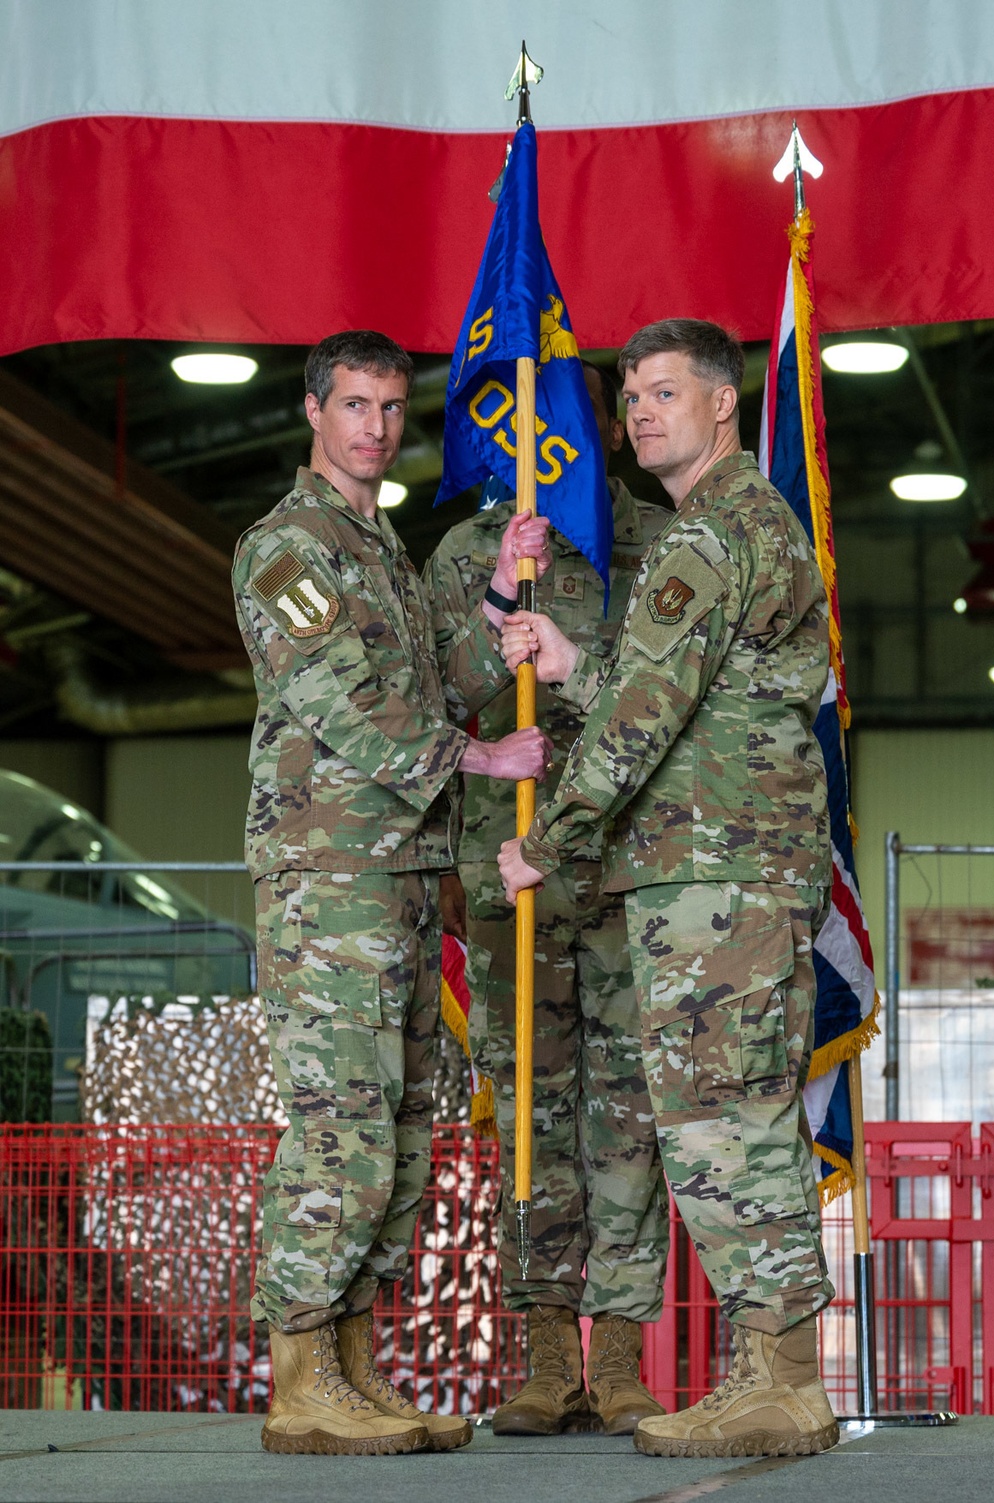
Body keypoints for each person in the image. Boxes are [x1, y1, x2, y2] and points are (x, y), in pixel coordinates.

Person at [497, 319, 840, 1459]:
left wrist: (542, 845)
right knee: (739, 1121)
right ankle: (775, 1370)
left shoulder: (708, 537)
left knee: (717, 1129)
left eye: (663, 393)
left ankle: (779, 1380)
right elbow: (693, 698)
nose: (640, 413)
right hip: (729, 869)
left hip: (714, 880)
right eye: (632, 397)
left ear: (723, 403)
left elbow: (643, 726)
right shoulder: (742, 525)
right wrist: (577, 665)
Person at [232, 329, 552, 1457]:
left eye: (388, 408)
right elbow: (340, 700)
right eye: (353, 405)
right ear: (313, 412)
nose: (373, 427)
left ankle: (354, 1375)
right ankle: (302, 1376)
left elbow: (442, 685)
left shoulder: (381, 553)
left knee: (405, 1130)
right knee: (342, 1130)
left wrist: (504, 592)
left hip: (409, 876)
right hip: (332, 881)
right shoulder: (286, 548)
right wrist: (480, 762)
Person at [424, 363, 671, 1436]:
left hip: (622, 875)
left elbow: (678, 699)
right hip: (506, 878)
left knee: (625, 1116)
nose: (545, 440)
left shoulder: (658, 542)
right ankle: (542, 1361)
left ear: (602, 428)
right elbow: (433, 699)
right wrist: (498, 598)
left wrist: (576, 660)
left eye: (566, 421)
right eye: (522, 423)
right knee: (530, 1114)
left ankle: (616, 1360)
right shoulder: (470, 551)